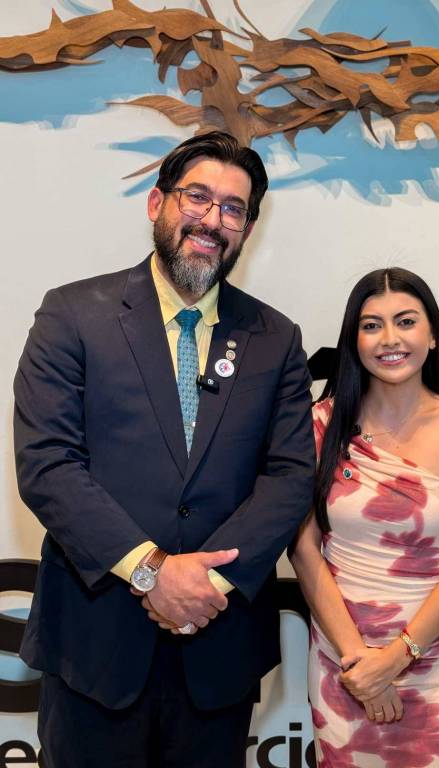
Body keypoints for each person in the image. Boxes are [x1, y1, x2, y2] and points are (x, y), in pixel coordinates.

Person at [13, 131, 315, 768]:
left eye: (233, 208)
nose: (212, 219)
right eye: (197, 197)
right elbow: (48, 464)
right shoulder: (72, 315)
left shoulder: (275, 338)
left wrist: (204, 583)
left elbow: (289, 476)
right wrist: (152, 571)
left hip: (218, 644)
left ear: (247, 228)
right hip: (95, 647)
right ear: (158, 203)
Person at [290, 268, 439, 767]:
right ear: (353, 340)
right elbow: (303, 550)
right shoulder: (319, 425)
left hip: (435, 660)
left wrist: (396, 658)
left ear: (432, 335)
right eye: (371, 325)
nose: (389, 339)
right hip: (344, 659)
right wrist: (361, 664)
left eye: (406, 321)